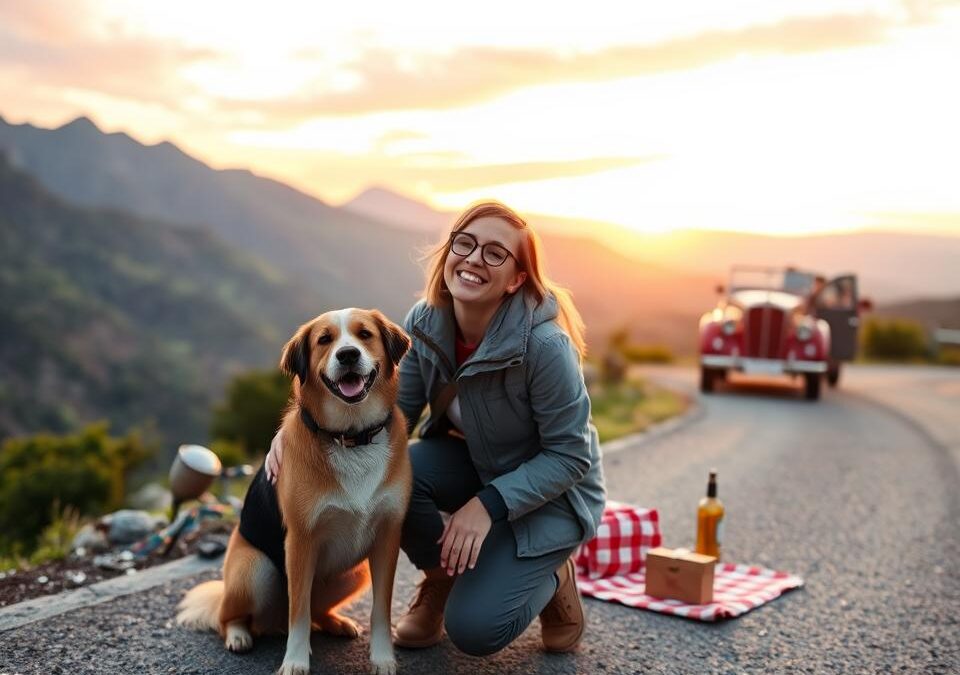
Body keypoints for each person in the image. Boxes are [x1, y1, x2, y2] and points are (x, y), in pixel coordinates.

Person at [265, 201, 606, 656]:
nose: (473, 259)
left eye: (494, 253)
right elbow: (385, 419)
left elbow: (570, 456)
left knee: (474, 630)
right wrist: (296, 433)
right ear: (448, 253)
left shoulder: (545, 347)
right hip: (477, 463)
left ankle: (550, 573)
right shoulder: (425, 324)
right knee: (399, 472)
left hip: (555, 492)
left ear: (517, 278)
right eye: (465, 244)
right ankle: (442, 579)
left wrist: (486, 507)